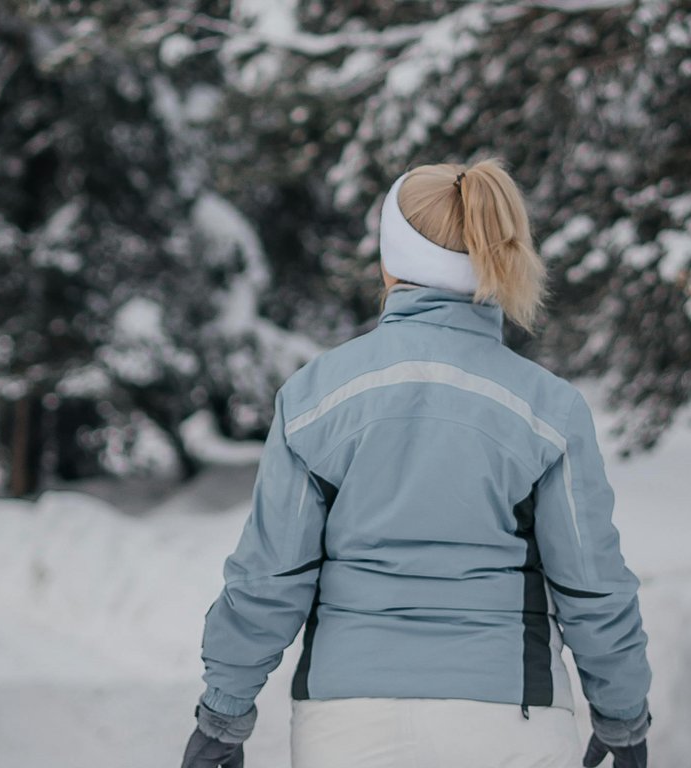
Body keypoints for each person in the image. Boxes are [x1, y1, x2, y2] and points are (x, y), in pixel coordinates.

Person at [178, 159, 652, 768]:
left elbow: (269, 577)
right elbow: (592, 582)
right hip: (508, 721)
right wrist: (621, 717)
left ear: (391, 261)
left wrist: (224, 713)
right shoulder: (549, 410)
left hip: (349, 722)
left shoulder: (315, 397)